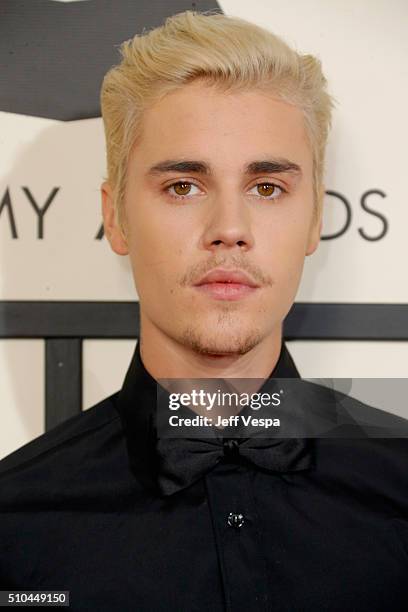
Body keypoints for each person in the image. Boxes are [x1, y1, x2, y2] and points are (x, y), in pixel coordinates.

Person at [1, 10, 407, 612]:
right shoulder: (14, 527)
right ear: (115, 217)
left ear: (316, 218)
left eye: (266, 187)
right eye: (183, 186)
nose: (229, 230)